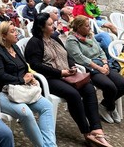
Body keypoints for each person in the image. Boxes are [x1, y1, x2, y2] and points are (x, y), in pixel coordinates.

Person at [25, 13, 113, 147]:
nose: (53, 26)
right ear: (41, 27)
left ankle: (97, 129)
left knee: (89, 88)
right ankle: (86, 132)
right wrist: (60, 72)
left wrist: (71, 66)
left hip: (67, 74)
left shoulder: (55, 38)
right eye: (49, 24)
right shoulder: (34, 42)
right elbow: (36, 66)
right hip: (49, 79)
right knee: (73, 95)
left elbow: (67, 55)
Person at [0, 21, 56, 147]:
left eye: (16, 30)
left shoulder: (15, 47)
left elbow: (24, 67)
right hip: (0, 92)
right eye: (12, 31)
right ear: (3, 35)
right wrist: (23, 80)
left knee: (47, 106)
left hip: (20, 90)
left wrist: (30, 77)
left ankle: (50, 145)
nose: (17, 33)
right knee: (26, 113)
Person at [65, 15, 124, 124]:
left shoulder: (89, 36)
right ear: (79, 27)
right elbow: (80, 58)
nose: (90, 28)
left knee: (122, 84)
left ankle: (105, 105)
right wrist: (99, 68)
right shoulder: (71, 40)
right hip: (89, 69)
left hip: (102, 64)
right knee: (110, 87)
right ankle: (110, 107)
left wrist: (105, 64)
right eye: (87, 26)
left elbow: (101, 51)